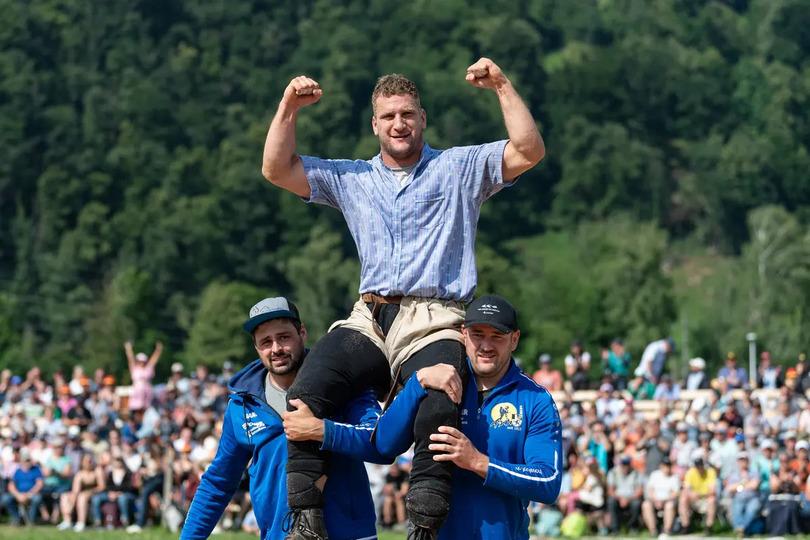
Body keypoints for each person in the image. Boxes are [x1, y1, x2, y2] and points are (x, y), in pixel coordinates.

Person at [261, 57, 545, 539]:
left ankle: (424, 523)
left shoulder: (459, 167)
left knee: (440, 397)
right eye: (389, 116)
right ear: (375, 124)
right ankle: (306, 519)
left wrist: (501, 84)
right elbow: (275, 168)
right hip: (370, 317)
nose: (399, 123)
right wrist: (288, 106)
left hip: (436, 316)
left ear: (422, 118)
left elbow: (528, 149)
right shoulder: (351, 178)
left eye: (407, 114)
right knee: (308, 389)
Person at [182, 297, 443, 540]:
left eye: (284, 337)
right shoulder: (242, 403)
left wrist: (322, 431)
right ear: (256, 347)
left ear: (302, 333)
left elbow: (380, 445)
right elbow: (218, 482)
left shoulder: (342, 380)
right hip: (281, 535)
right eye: (266, 342)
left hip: (348, 534)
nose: (276, 349)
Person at [371, 295, 563, 539]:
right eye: (478, 334)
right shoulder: (436, 381)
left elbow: (548, 482)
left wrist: (478, 462)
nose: (486, 345)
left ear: (514, 340)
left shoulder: (535, 399)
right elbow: (383, 445)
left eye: (497, 336)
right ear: (463, 334)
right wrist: (417, 383)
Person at [0, 448, 44, 526]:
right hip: (19, 494)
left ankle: (31, 520)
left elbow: (39, 484)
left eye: (28, 460)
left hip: (31, 493)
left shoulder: (36, 469)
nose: (27, 462)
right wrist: (17, 495)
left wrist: (28, 494)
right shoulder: (17, 471)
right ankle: (16, 519)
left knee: (37, 498)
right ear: (21, 461)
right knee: (5, 498)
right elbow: (11, 485)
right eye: (25, 460)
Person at [678, 450, 717, 533]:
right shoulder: (690, 472)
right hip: (694, 500)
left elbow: (712, 491)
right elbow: (686, 489)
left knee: (712, 499)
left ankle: (709, 527)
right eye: (697, 466)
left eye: (700, 466)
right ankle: (686, 526)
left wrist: (700, 495)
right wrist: (691, 494)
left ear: (703, 465)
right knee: (683, 498)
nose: (699, 468)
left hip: (705, 499)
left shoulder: (710, 472)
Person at [641, 457, 679, 536]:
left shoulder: (674, 477)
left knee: (669, 506)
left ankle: (666, 530)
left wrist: (664, 500)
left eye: (668, 465)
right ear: (661, 466)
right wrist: (655, 500)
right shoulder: (655, 475)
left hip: (667, 501)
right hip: (655, 500)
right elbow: (650, 490)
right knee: (646, 505)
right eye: (665, 465)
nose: (667, 468)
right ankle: (653, 530)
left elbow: (675, 493)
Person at [606, 455, 643, 533]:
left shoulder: (636, 473)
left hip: (631, 498)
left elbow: (639, 491)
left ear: (630, 464)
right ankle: (615, 529)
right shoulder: (613, 472)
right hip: (617, 498)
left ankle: (633, 527)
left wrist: (628, 499)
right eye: (623, 464)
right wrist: (621, 499)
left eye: (627, 464)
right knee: (611, 501)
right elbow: (610, 491)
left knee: (636, 503)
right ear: (620, 464)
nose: (625, 467)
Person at [124, 339, 163, 411]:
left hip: (147, 393)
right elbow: (130, 358)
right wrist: (128, 349)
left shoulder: (148, 369)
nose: (141, 363)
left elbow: (154, 360)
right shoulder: (135, 369)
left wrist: (158, 350)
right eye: (140, 361)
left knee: (147, 409)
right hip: (137, 393)